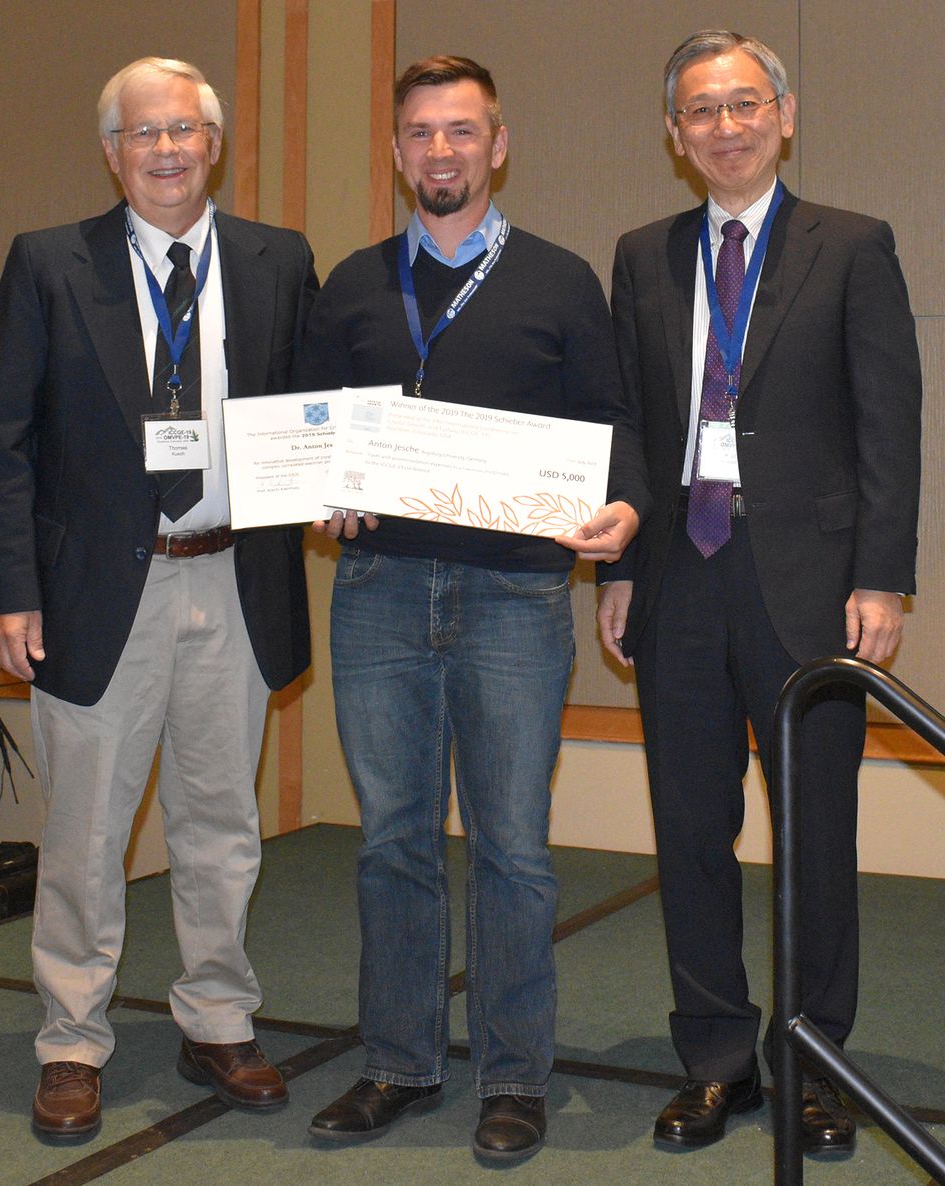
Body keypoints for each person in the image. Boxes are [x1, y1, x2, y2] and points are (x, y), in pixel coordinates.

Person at [560, 29, 921, 1157]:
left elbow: (890, 425)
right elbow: (628, 426)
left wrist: (884, 575)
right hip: (679, 580)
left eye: (744, 104)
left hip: (809, 583)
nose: (724, 126)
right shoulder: (641, 253)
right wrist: (620, 567)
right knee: (690, 830)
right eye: (701, 111)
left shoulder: (854, 246)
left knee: (816, 832)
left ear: (786, 113)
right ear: (674, 133)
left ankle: (814, 1063)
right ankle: (716, 1060)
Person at [295, 56, 649, 1163]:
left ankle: (513, 1075)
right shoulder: (352, 283)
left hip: (515, 598)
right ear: (397, 151)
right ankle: (398, 1059)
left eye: (460, 131)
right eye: (418, 134)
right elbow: (311, 435)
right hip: (379, 595)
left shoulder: (560, 281)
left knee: (512, 848)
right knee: (392, 843)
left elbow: (609, 423)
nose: (438, 151)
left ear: (497, 145)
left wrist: (626, 513)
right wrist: (322, 491)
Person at [0, 56, 317, 1141]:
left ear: (215, 144)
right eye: (141, 133)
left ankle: (218, 1017)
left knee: (223, 825)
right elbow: (2, 441)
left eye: (183, 131)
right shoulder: (47, 264)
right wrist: (12, 591)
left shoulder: (277, 260)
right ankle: (72, 1038)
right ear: (112, 151)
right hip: (92, 593)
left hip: (233, 574)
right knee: (84, 833)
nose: (165, 150)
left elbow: (309, 412)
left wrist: (342, 481)